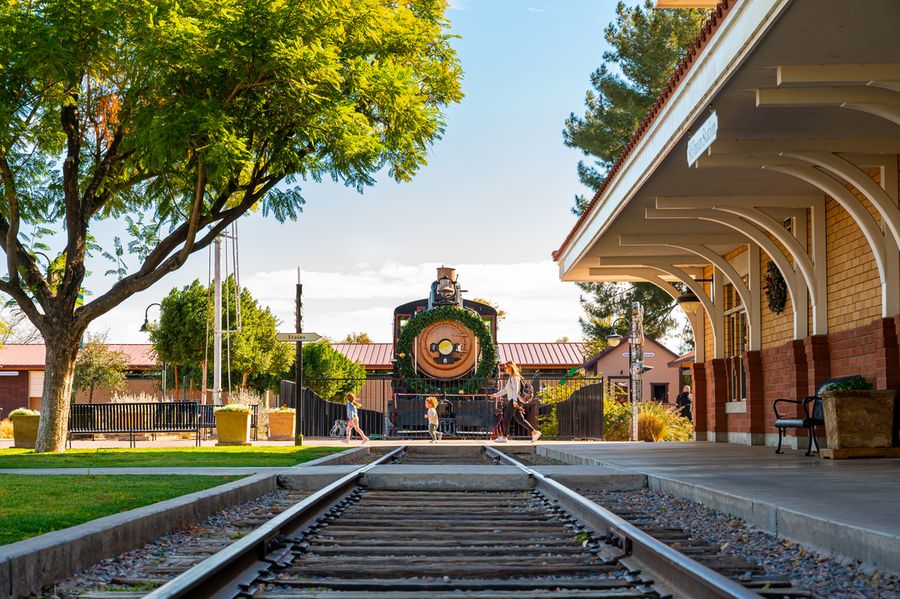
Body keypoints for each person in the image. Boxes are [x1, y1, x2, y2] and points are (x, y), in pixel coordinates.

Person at [490, 360, 541, 443]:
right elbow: (505, 390)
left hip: (515, 400)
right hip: (515, 400)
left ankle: (504, 437)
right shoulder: (511, 377)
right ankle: (535, 432)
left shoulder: (514, 377)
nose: (505, 369)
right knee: (520, 419)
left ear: (510, 367)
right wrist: (495, 395)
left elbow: (516, 389)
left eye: (506, 367)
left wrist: (514, 401)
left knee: (507, 417)